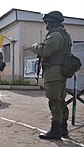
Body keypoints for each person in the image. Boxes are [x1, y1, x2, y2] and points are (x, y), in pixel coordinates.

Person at [31, 11, 70, 140]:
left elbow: (45, 51)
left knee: (54, 101)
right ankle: (63, 128)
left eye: (47, 22)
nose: (46, 25)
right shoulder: (65, 35)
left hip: (54, 73)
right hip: (61, 73)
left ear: (52, 22)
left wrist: (35, 46)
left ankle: (55, 130)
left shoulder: (55, 35)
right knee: (60, 101)